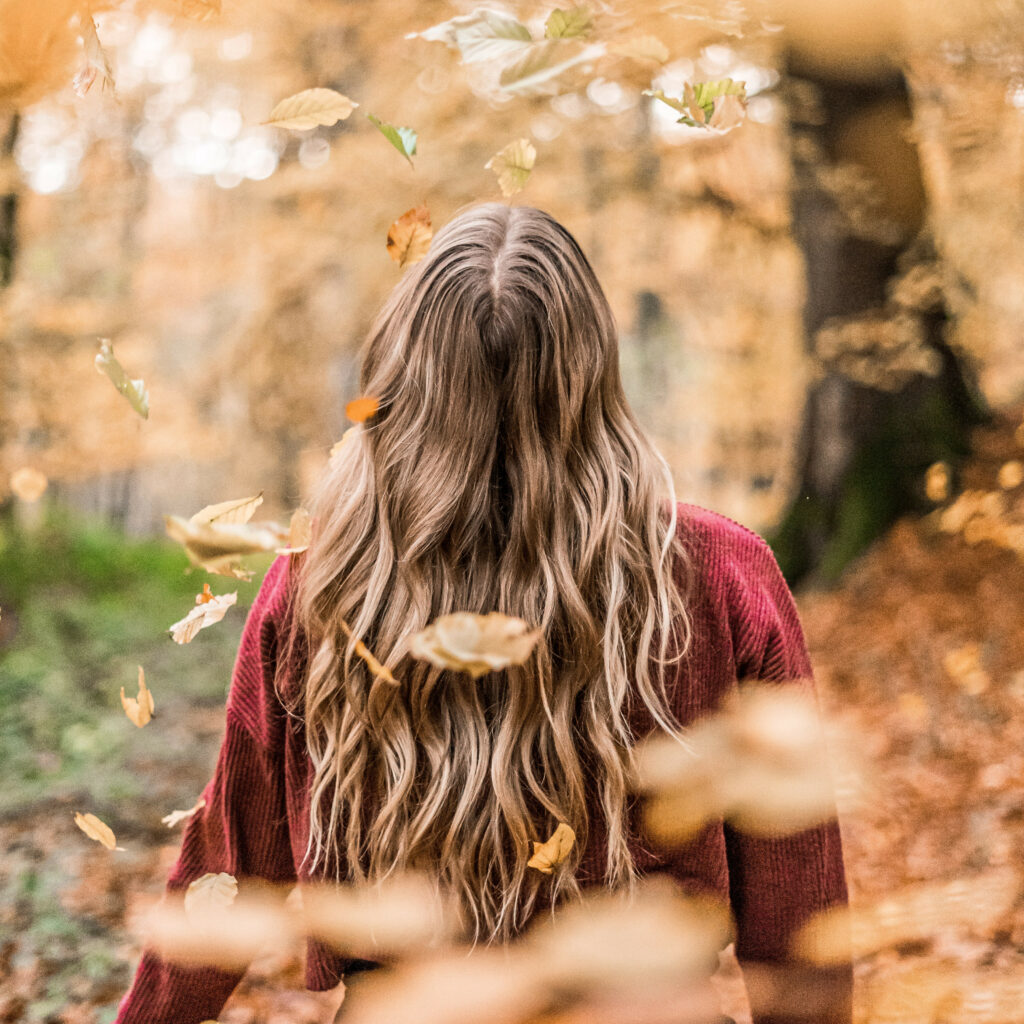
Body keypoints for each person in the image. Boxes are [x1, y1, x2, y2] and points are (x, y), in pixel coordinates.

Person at [114, 203, 852, 1024]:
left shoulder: (321, 583)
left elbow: (226, 869)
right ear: (593, 374)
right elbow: (798, 908)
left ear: (403, 378)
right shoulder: (719, 573)